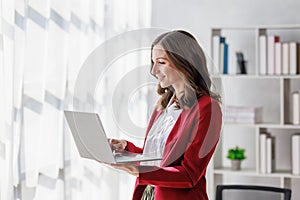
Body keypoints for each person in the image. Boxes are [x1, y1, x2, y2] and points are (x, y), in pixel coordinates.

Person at [106, 30, 222, 200]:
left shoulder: (208, 108)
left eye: (161, 62)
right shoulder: (163, 105)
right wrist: (126, 148)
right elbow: (158, 159)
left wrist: (137, 170)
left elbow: (189, 174)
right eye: (153, 62)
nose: (154, 70)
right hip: (149, 195)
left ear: (184, 62)